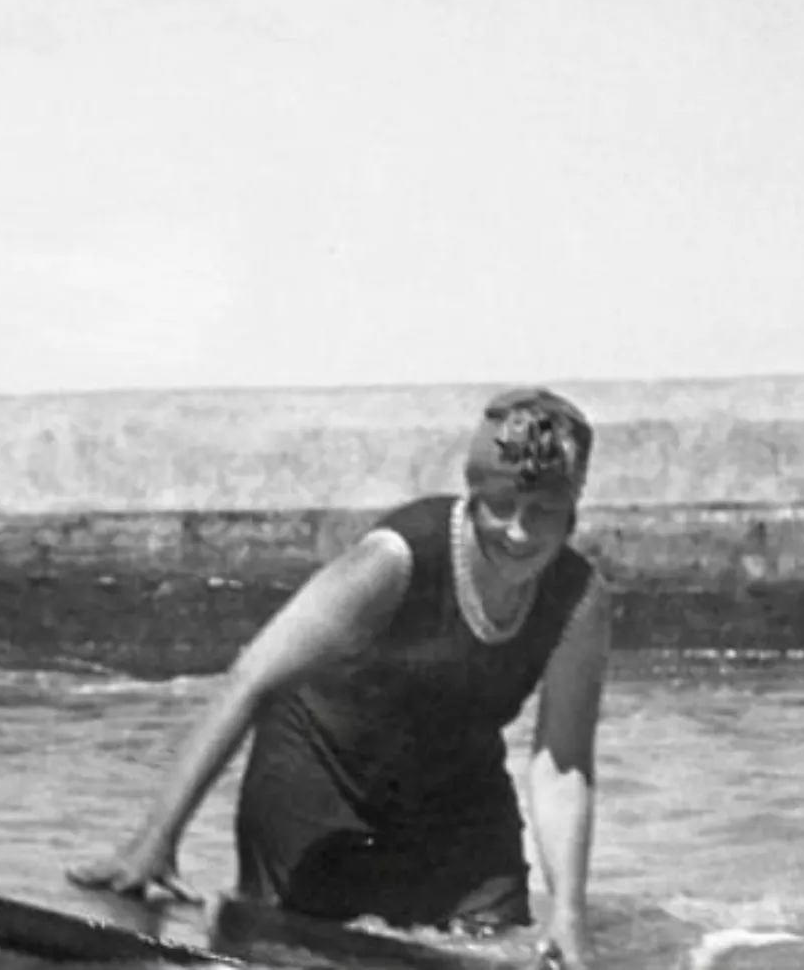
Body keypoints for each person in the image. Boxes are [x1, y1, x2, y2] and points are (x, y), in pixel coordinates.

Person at [68, 386, 613, 969]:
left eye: (544, 512)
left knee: (500, 956)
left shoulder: (579, 600)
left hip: (456, 804)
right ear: (474, 493)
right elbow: (251, 679)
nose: (520, 532)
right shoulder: (395, 560)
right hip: (320, 781)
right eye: (502, 504)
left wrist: (569, 914)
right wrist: (157, 841)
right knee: (302, 956)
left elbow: (562, 764)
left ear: (573, 510)